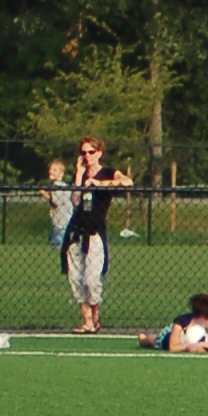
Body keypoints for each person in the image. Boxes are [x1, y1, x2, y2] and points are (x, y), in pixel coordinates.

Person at [63, 136, 131, 334]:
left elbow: (127, 182)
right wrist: (79, 174)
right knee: (76, 278)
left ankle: (95, 317)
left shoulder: (108, 172)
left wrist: (99, 183)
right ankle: (87, 321)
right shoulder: (80, 175)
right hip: (77, 230)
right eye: (84, 152)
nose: (87, 156)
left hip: (95, 232)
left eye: (91, 152)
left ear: (99, 152)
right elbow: (75, 201)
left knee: (91, 279)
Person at [139, 294, 208, 352]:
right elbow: (173, 347)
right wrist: (193, 346)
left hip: (187, 343)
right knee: (153, 341)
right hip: (167, 337)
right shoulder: (182, 322)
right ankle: (143, 339)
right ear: (202, 317)